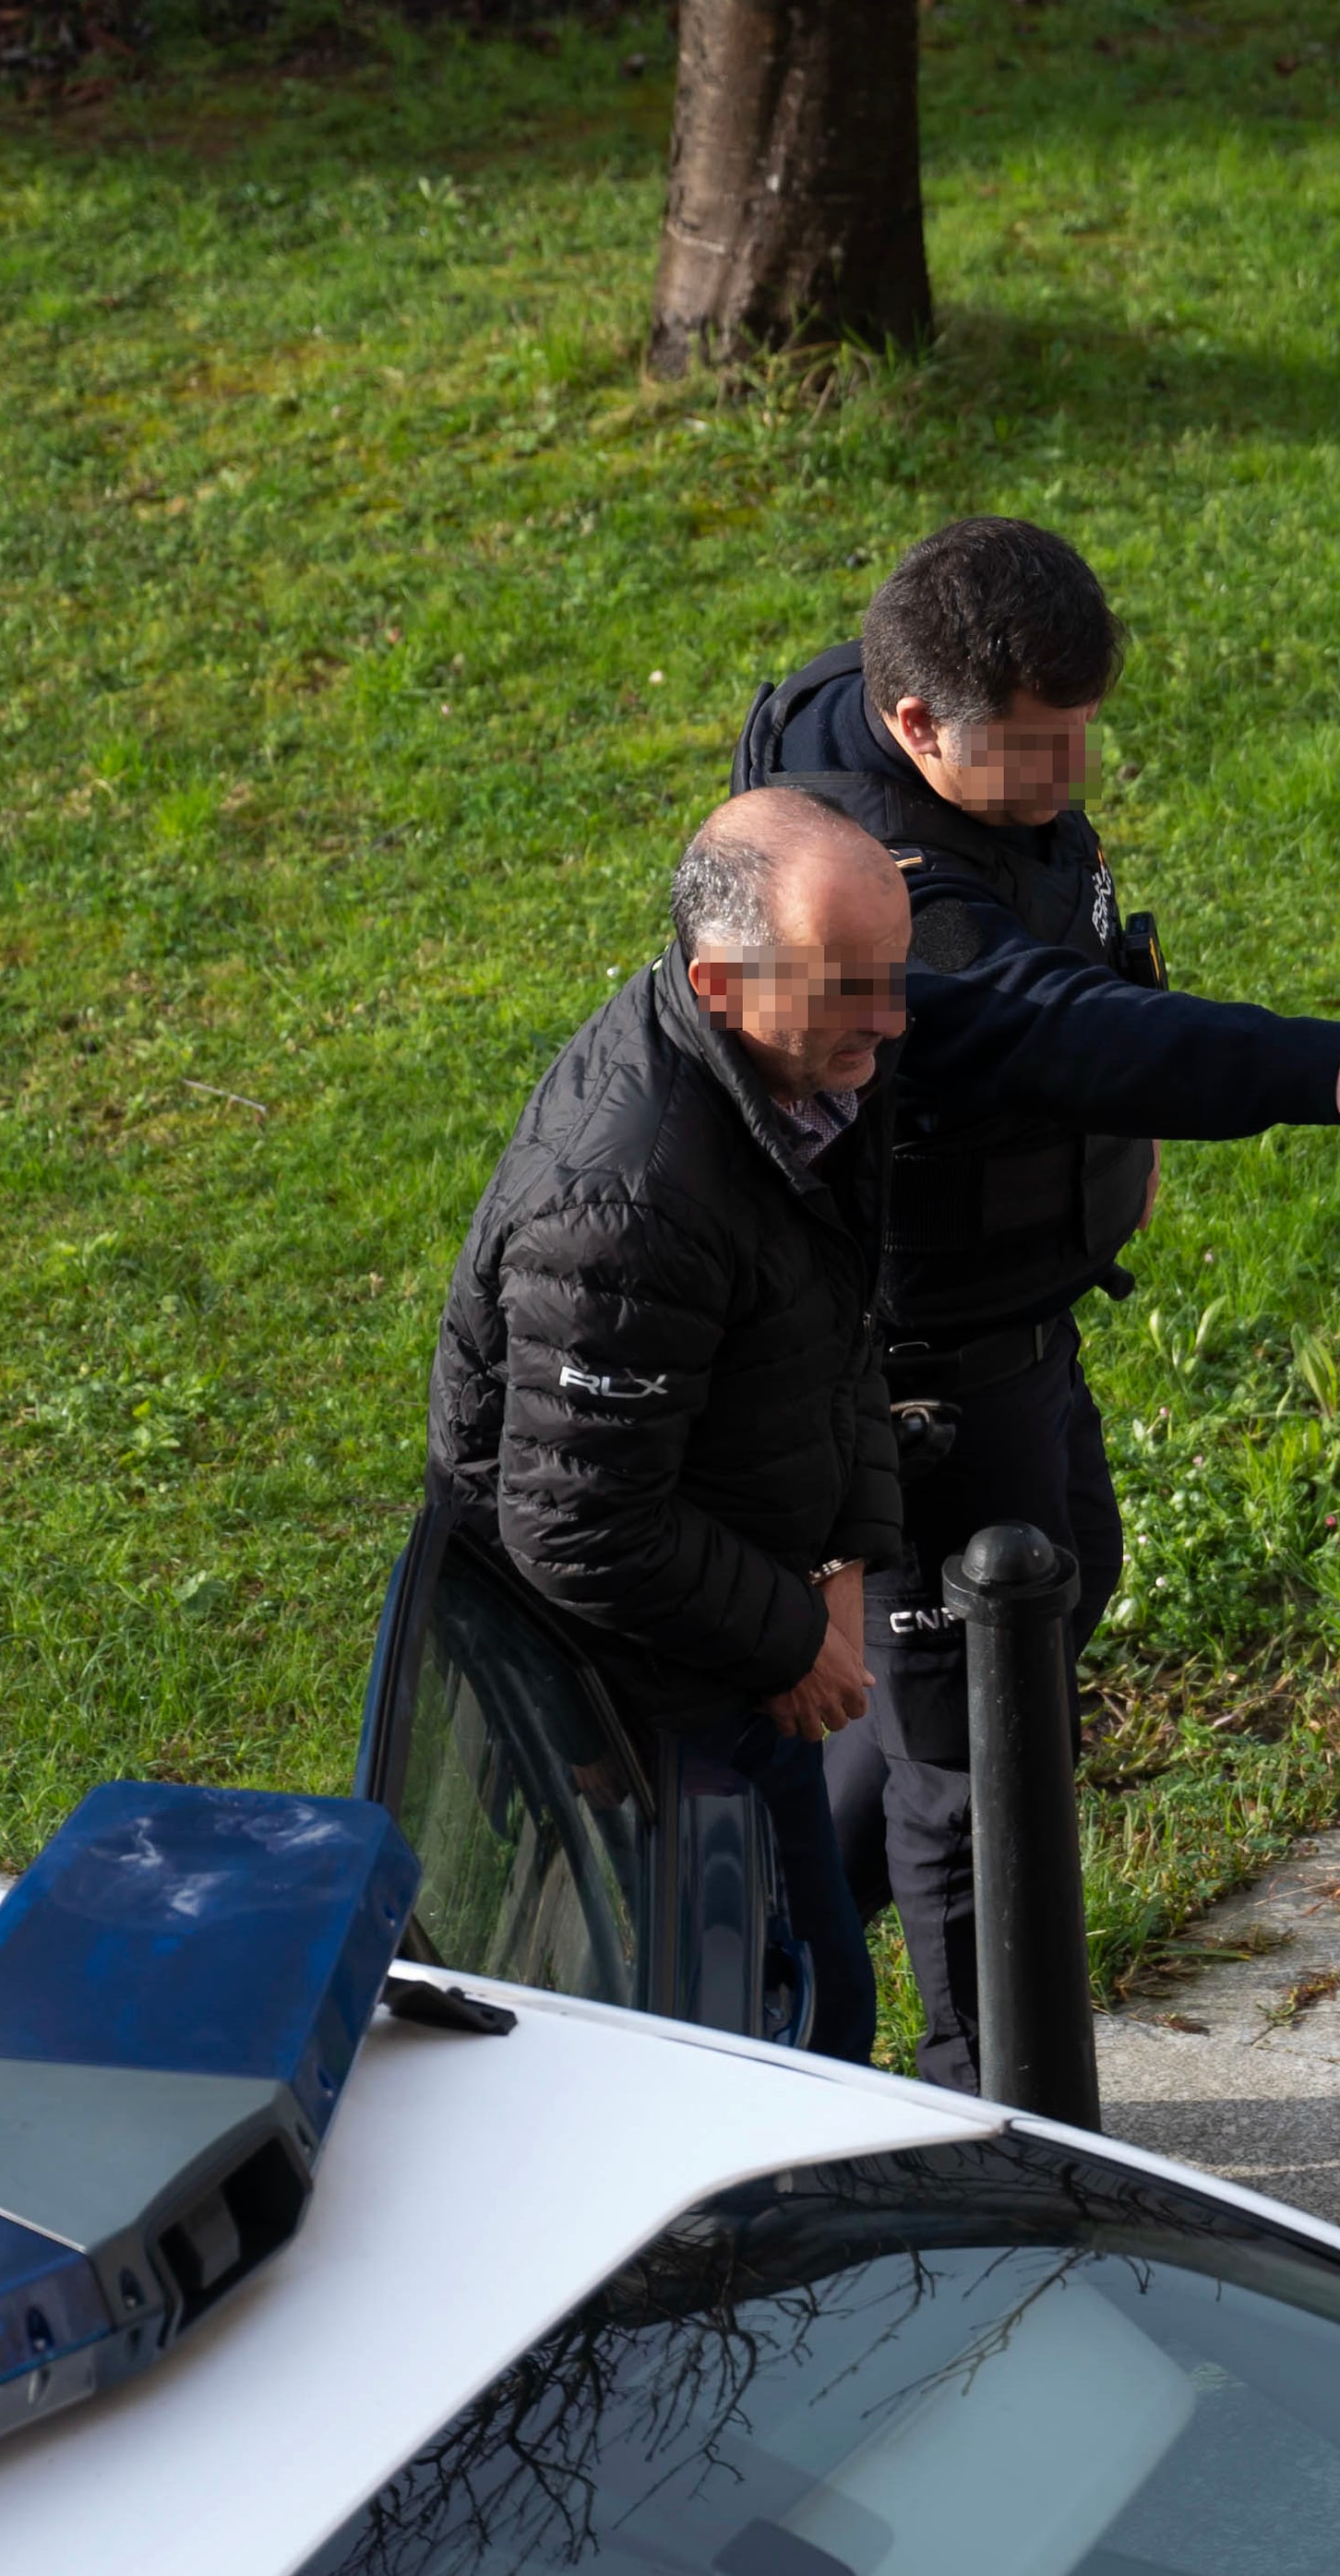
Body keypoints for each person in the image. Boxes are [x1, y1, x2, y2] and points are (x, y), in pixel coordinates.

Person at [739, 513, 1340, 2091]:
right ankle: (989, 2110)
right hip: (922, 1363)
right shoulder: (886, 907)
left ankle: (756, 1922)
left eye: (1089, 726)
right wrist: (1329, 1063)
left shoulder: (950, 729)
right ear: (911, 723)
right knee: (974, 1749)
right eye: (1040, 743)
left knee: (1061, 1589)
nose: (1077, 766)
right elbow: (1061, 1020)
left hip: (1020, 1316)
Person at [424, 789, 908, 2068]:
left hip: (739, 1624)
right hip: (642, 1679)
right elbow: (577, 1522)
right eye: (852, 987)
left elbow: (834, 1319)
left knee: (804, 1999)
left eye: (895, 977)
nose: (892, 1020)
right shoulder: (628, 1203)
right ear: (717, 984)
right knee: (778, 2035)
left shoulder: (803, 1076)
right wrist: (797, 1632)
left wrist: (842, 1568)